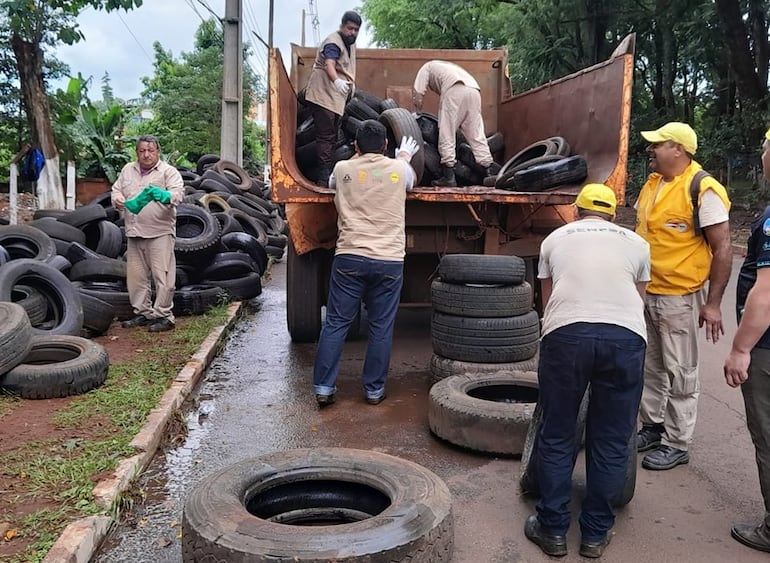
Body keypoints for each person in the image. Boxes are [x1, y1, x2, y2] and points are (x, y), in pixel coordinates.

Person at [524, 183, 650, 559]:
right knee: (611, 439)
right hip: (625, 338)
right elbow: (638, 299)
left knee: (558, 433)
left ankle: (552, 530)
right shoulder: (637, 244)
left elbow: (547, 301)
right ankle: (595, 534)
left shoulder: (554, 239)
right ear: (614, 214)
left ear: (577, 211)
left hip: (567, 337)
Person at [635, 121, 732, 470]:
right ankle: (652, 426)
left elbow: (722, 249)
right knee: (651, 367)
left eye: (657, 144)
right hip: (648, 292)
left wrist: (714, 303)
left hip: (679, 296)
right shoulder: (653, 184)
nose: (650, 150)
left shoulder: (703, 188)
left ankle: (677, 442)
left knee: (681, 371)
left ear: (678, 148)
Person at [312, 120, 418, 407]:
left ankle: (324, 387)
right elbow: (411, 181)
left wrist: (357, 160)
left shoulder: (343, 168)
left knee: (335, 323)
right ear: (385, 145)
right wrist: (404, 158)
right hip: (389, 260)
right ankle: (373, 390)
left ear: (355, 145)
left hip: (349, 257)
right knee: (381, 326)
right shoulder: (399, 170)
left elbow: (333, 184)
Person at [722, 128, 770, 554]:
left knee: (768, 434)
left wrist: (740, 349)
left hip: (768, 348)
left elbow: (767, 291)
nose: (763, 156)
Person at [111, 135, 184, 333]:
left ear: (158, 152)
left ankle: (164, 316)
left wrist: (166, 195)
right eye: (142, 150)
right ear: (137, 152)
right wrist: (117, 200)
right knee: (136, 278)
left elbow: (178, 194)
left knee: (163, 277)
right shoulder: (128, 170)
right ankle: (143, 312)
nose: (146, 154)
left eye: (151, 150)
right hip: (134, 233)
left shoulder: (168, 172)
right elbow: (116, 190)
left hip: (159, 232)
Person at [412, 60, 500, 187]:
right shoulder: (449, 67)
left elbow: (418, 93)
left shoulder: (426, 67)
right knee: (476, 133)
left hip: (454, 89)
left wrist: (417, 113)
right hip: (474, 91)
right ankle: (490, 172)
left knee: (446, 132)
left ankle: (448, 177)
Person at [303, 10, 361, 187]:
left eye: (356, 30)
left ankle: (329, 173)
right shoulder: (333, 43)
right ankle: (323, 178)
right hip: (323, 94)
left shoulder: (349, 44)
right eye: (350, 28)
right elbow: (329, 63)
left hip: (335, 97)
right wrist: (336, 81)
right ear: (342, 26)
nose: (353, 33)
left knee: (333, 135)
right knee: (326, 136)